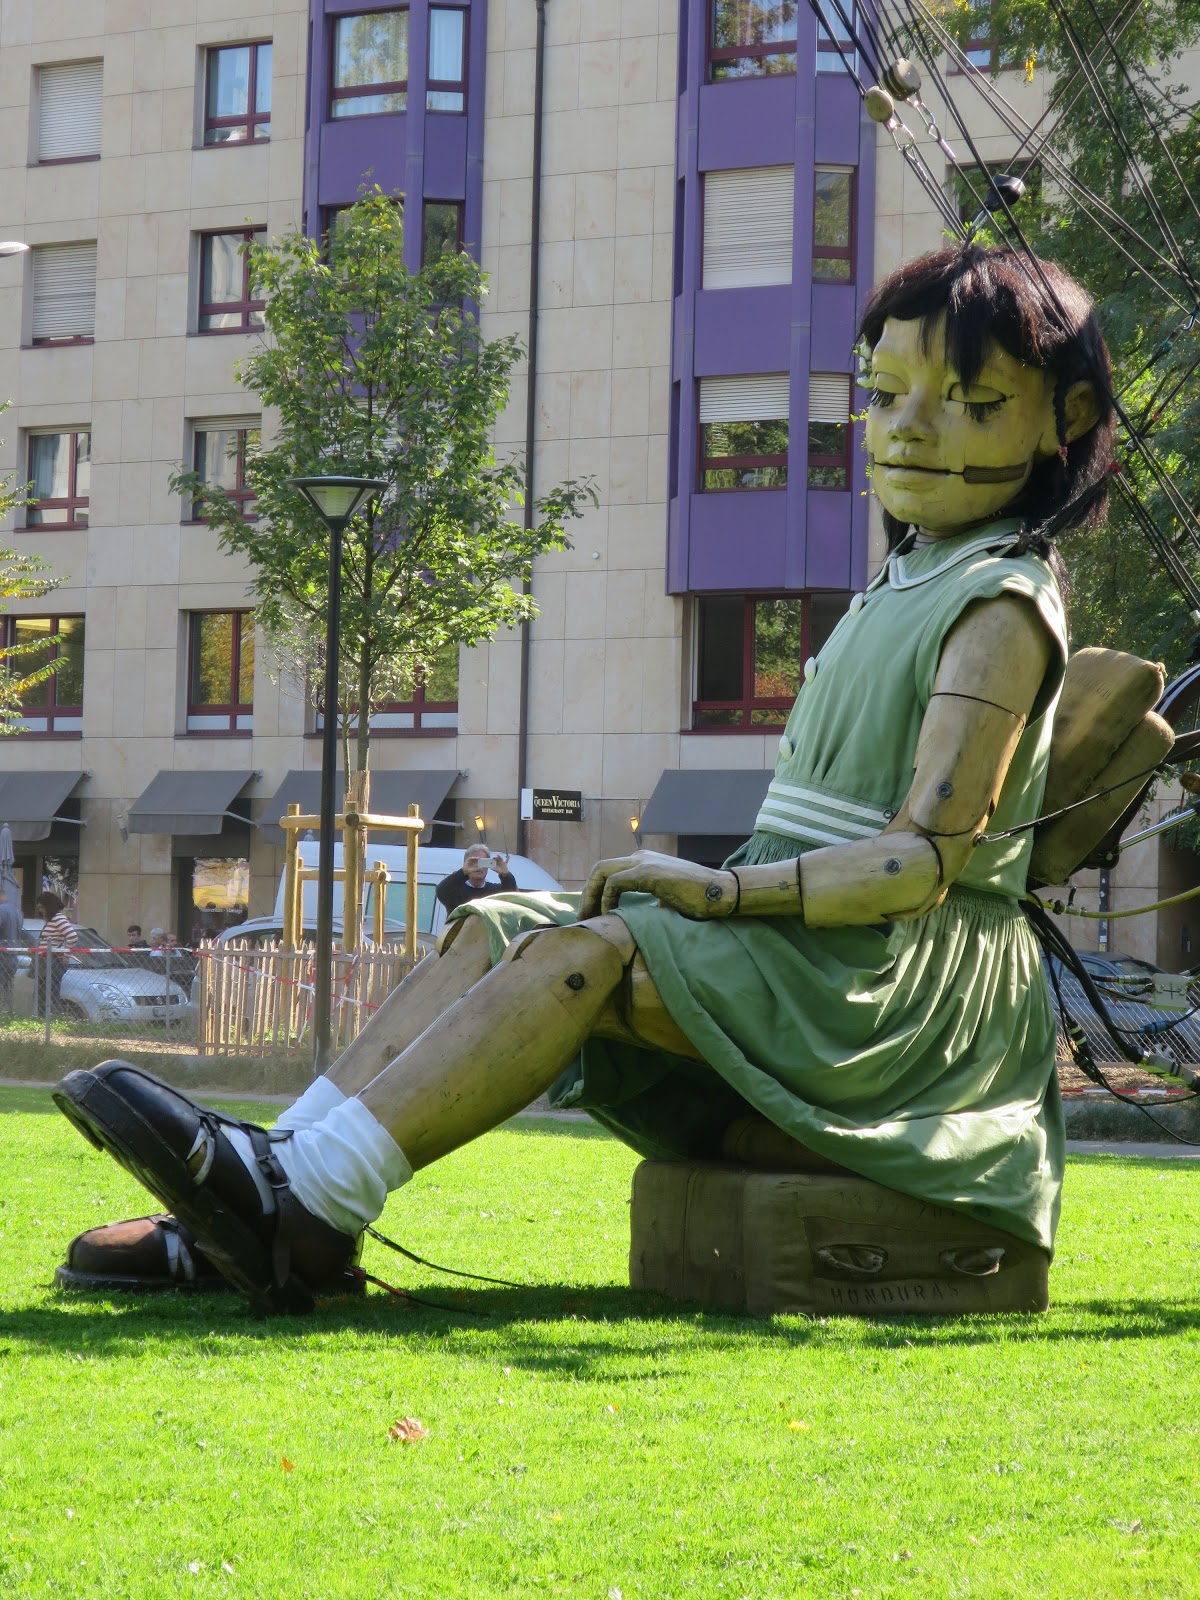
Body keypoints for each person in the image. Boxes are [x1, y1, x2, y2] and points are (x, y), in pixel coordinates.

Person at [53, 244, 1117, 1313]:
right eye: (886, 394)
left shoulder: (999, 604)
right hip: (809, 948)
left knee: (587, 952)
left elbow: (923, 860)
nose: (909, 427)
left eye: (971, 402)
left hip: (891, 989)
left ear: (1063, 417)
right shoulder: (909, 575)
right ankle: (273, 1174)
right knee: (496, 920)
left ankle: (316, 1200)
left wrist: (720, 889)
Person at [435, 846, 518, 913]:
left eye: (483, 862)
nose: (479, 866)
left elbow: (514, 898)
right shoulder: (455, 891)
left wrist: (505, 875)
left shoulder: (494, 891)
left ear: (489, 864)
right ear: (465, 864)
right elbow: (441, 891)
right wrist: (463, 872)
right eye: (474, 862)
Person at [35, 892, 77, 1017]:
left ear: (48, 906)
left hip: (53, 961)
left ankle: (51, 1018)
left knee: (49, 993)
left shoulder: (58, 919)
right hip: (46, 961)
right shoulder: (52, 920)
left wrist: (66, 955)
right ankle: (46, 1019)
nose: (40, 910)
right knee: (44, 992)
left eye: (42, 907)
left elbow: (72, 936)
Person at [0, 887, 21, 1015]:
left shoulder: (1, 910)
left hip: (2, 954)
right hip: (13, 955)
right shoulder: (16, 910)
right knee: (8, 986)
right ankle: (7, 1012)